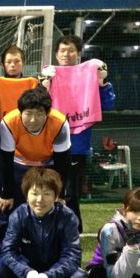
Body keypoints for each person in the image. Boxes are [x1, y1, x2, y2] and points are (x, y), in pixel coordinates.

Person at [0, 167, 90, 278]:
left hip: (57, 275)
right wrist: (26, 272)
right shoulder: (19, 214)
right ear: (26, 195)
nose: (40, 200)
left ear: (56, 196)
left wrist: (48, 276)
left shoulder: (67, 216)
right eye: (34, 193)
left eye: (47, 194)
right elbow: (7, 250)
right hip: (27, 272)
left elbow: (73, 256)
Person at [40, 35, 116, 232]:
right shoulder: (48, 75)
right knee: (47, 190)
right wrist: (42, 86)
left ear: (79, 53)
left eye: (71, 50)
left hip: (77, 147)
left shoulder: (89, 76)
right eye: (63, 50)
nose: (66, 54)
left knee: (71, 193)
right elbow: (35, 108)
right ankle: (48, 230)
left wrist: (103, 83)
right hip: (50, 145)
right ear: (56, 54)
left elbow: (108, 104)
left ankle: (74, 232)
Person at [0, 86, 71, 213]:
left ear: (47, 113)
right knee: (10, 205)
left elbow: (62, 161)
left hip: (49, 164)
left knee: (56, 205)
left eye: (39, 114)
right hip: (19, 164)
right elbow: (6, 160)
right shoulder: (8, 123)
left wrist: (60, 194)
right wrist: (7, 194)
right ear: (20, 112)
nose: (33, 120)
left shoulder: (60, 123)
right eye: (28, 113)